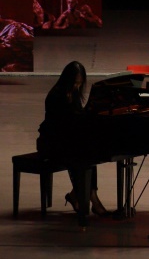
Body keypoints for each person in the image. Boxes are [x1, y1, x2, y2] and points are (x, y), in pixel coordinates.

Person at [37, 61, 106, 225]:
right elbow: (60, 126)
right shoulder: (56, 96)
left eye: (80, 83)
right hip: (52, 143)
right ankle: (90, 197)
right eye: (75, 82)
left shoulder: (72, 93)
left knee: (89, 152)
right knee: (82, 153)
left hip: (66, 139)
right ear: (67, 80)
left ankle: (79, 194)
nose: (78, 86)